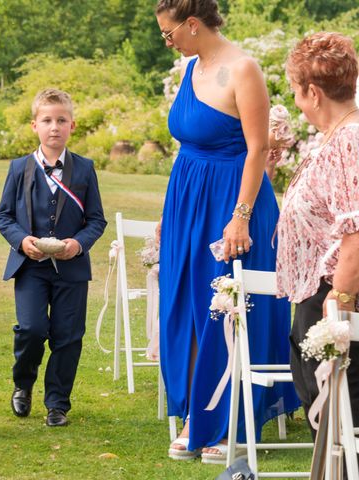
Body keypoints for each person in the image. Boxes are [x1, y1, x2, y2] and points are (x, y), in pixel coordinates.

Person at [154, 0, 300, 463]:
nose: (168, 41)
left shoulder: (244, 69)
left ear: (192, 24)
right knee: (188, 300)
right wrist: (169, 211)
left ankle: (225, 420)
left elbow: (258, 150)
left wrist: (240, 215)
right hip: (187, 201)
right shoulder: (189, 68)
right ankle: (198, 410)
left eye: (168, 32)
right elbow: (189, 140)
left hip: (233, 200)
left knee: (225, 306)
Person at [0, 88, 107, 427]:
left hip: (71, 268)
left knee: (68, 335)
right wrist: (21, 240)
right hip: (30, 266)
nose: (54, 127)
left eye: (61, 120)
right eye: (47, 120)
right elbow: (4, 217)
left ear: (72, 126)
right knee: (30, 329)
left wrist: (79, 244)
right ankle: (23, 383)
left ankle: (58, 403)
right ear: (34, 126)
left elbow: (96, 220)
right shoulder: (19, 168)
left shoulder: (84, 170)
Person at [277, 32, 359, 441]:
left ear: (313, 92)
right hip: (318, 295)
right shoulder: (336, 136)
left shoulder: (350, 139)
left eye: (295, 91)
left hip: (336, 299)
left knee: (343, 420)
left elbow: (356, 230)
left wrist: (339, 307)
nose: (296, 101)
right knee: (325, 423)